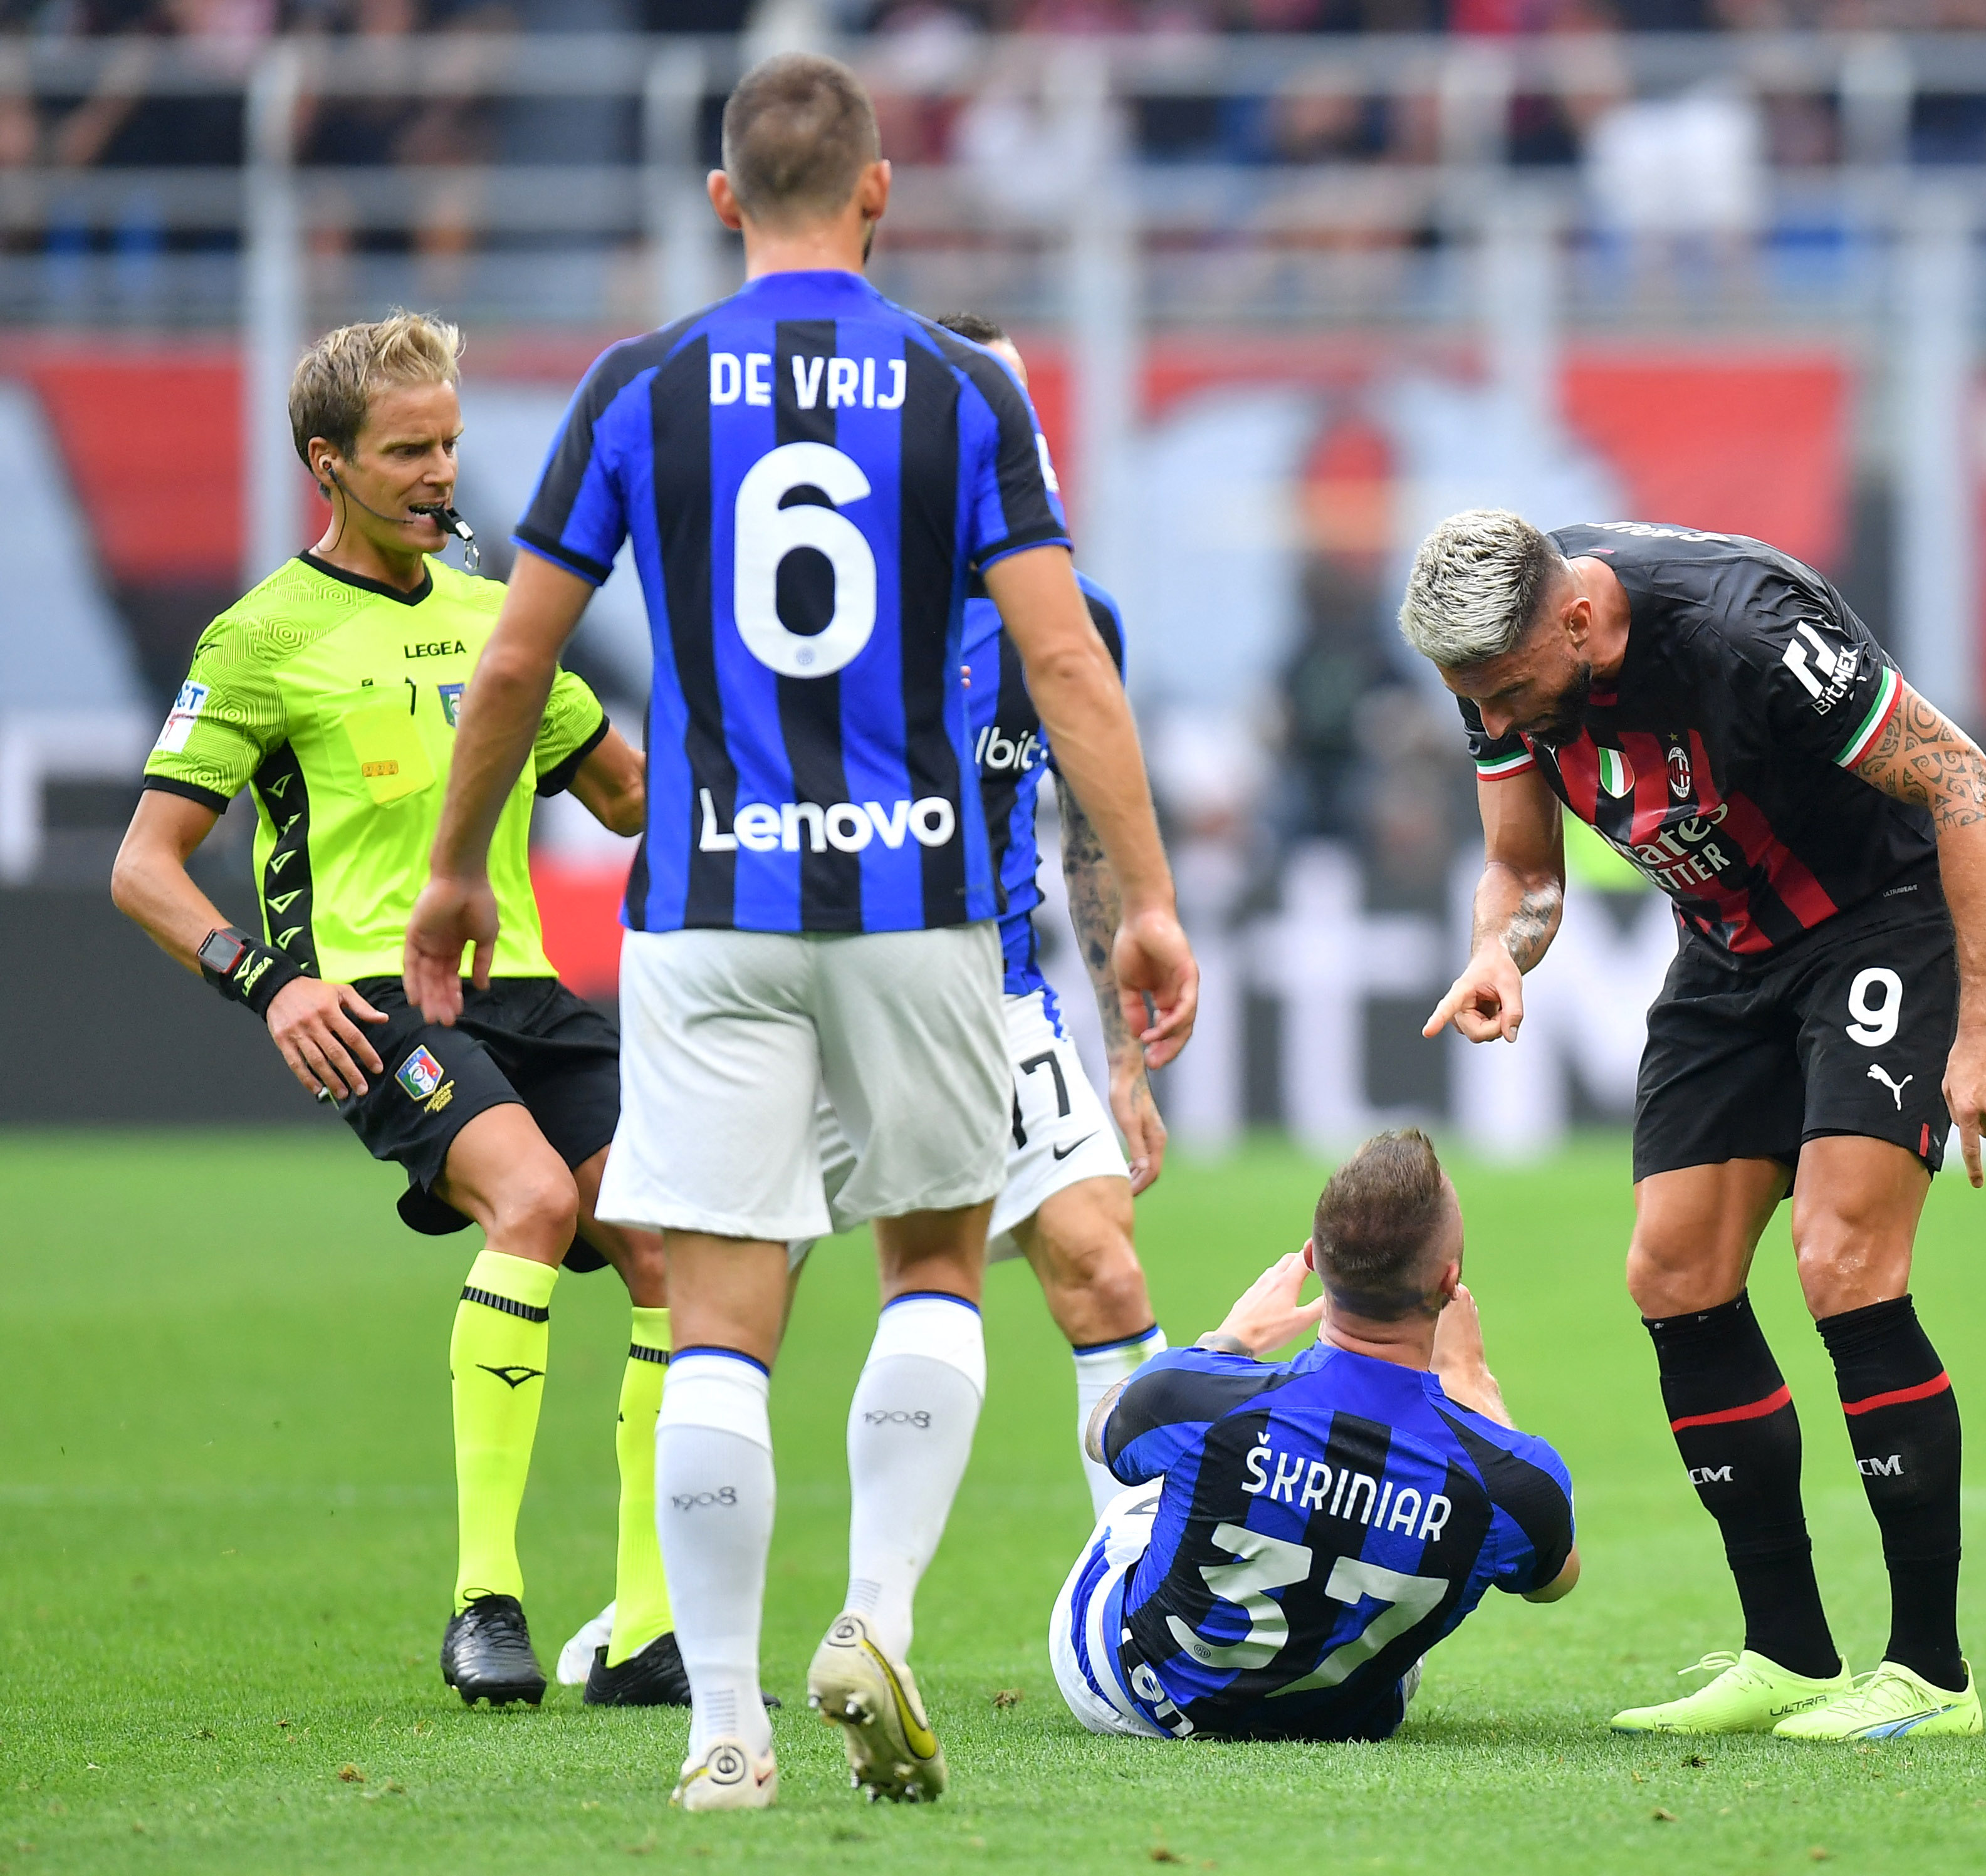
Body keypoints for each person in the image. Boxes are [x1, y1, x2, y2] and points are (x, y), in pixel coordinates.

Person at [400, 55, 1196, 1813]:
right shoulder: (960, 389)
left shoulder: (638, 384)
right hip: (918, 902)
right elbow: (1064, 660)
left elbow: (518, 655)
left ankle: (723, 1730)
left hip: (708, 907)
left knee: (718, 1321)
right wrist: (1146, 899)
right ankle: (877, 1618)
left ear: (721, 202)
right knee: (933, 1268)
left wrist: (457, 865)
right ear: (879, 191)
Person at [108, 312, 686, 1713]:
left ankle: (650, 1633)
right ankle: (486, 1602)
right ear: (330, 465)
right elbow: (144, 866)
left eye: (450, 445)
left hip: (529, 989)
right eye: (408, 450)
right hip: (375, 996)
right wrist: (268, 980)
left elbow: (626, 796)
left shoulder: (500, 620)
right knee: (532, 1203)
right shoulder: (263, 638)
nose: (441, 474)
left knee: (674, 1248)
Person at [1403, 511, 1986, 1743]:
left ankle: (1930, 1673)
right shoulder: (1498, 668)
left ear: (1579, 618)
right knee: (1675, 1271)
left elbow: (1968, 783)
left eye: (1513, 691)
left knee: (1843, 1261)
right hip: (1728, 949)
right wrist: (1498, 950)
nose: (1500, 717)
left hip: (1881, 918)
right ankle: (1787, 1651)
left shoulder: (1748, 629)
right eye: (1475, 700)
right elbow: (1527, 873)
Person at [1051, 1128, 1577, 1743]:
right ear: (1449, 1281)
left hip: (1135, 1697)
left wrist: (1228, 1342)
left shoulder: (1196, 1394)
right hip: (1340, 1724)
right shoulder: (1516, 1478)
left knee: (1147, 1491)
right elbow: (1554, 1580)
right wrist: (1475, 1385)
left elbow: (1103, 1434)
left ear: (1315, 1260)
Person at [929, 310, 1169, 1516]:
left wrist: (1123, 1056)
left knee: (1103, 1265)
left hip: (995, 991)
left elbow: (1089, 842)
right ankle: (658, 1598)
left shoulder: (1076, 616)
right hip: (818, 981)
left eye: (1022, 406)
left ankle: (1141, 1579)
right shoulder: (835, 603)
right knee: (711, 1293)